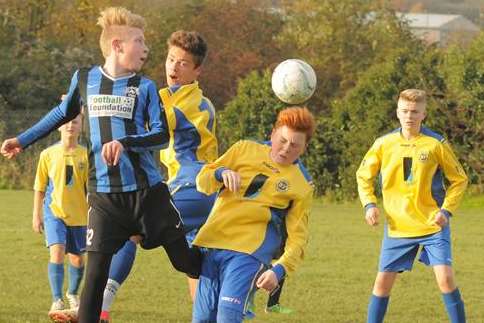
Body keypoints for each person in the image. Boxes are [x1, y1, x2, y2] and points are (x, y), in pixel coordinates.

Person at [0, 7, 201, 323]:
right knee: (94, 278)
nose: (146, 48)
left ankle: (233, 265)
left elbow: (161, 135)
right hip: (105, 199)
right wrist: (22, 140)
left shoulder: (145, 87)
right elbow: (60, 113)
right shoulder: (84, 79)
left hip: (149, 195)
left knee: (186, 263)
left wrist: (126, 142)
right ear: (118, 45)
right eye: (139, 40)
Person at [99, 30, 217, 322]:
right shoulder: (187, 97)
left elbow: (147, 124)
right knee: (196, 265)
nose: (173, 68)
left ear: (197, 70)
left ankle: (99, 307)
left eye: (183, 63)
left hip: (191, 187)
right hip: (203, 191)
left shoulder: (184, 102)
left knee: (130, 229)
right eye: (170, 59)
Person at [192, 107, 315, 323]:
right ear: (273, 133)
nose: (286, 149)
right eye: (283, 140)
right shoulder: (243, 149)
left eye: (295, 145)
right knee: (203, 319)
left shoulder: (302, 184)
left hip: (250, 253)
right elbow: (203, 182)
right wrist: (221, 172)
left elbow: (298, 238)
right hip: (213, 244)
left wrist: (279, 269)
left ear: (305, 148)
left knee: (227, 316)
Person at [356, 89, 468, 323]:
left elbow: (459, 179)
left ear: (423, 114)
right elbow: (363, 175)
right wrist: (369, 204)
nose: (409, 116)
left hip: (432, 225)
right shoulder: (383, 143)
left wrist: (446, 211)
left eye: (415, 112)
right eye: (405, 111)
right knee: (381, 284)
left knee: (446, 280)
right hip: (398, 227)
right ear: (397, 112)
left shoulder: (435, 143)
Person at [32, 113, 87, 322]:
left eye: (75, 121)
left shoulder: (86, 154)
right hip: (54, 212)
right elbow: (39, 187)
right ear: (58, 126)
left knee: (77, 258)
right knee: (57, 252)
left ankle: (72, 294)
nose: (70, 126)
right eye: (66, 122)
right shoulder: (47, 154)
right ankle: (57, 300)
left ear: (81, 126)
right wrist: (36, 215)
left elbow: (92, 189)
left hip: (80, 215)